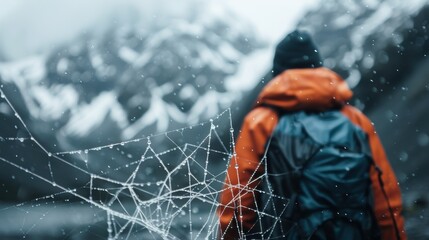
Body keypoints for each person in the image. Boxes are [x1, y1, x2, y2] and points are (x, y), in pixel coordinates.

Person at [217, 30, 406, 239]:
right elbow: (385, 196)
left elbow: (237, 198)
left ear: (278, 72)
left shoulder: (262, 121)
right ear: (319, 67)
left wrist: (232, 235)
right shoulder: (355, 120)